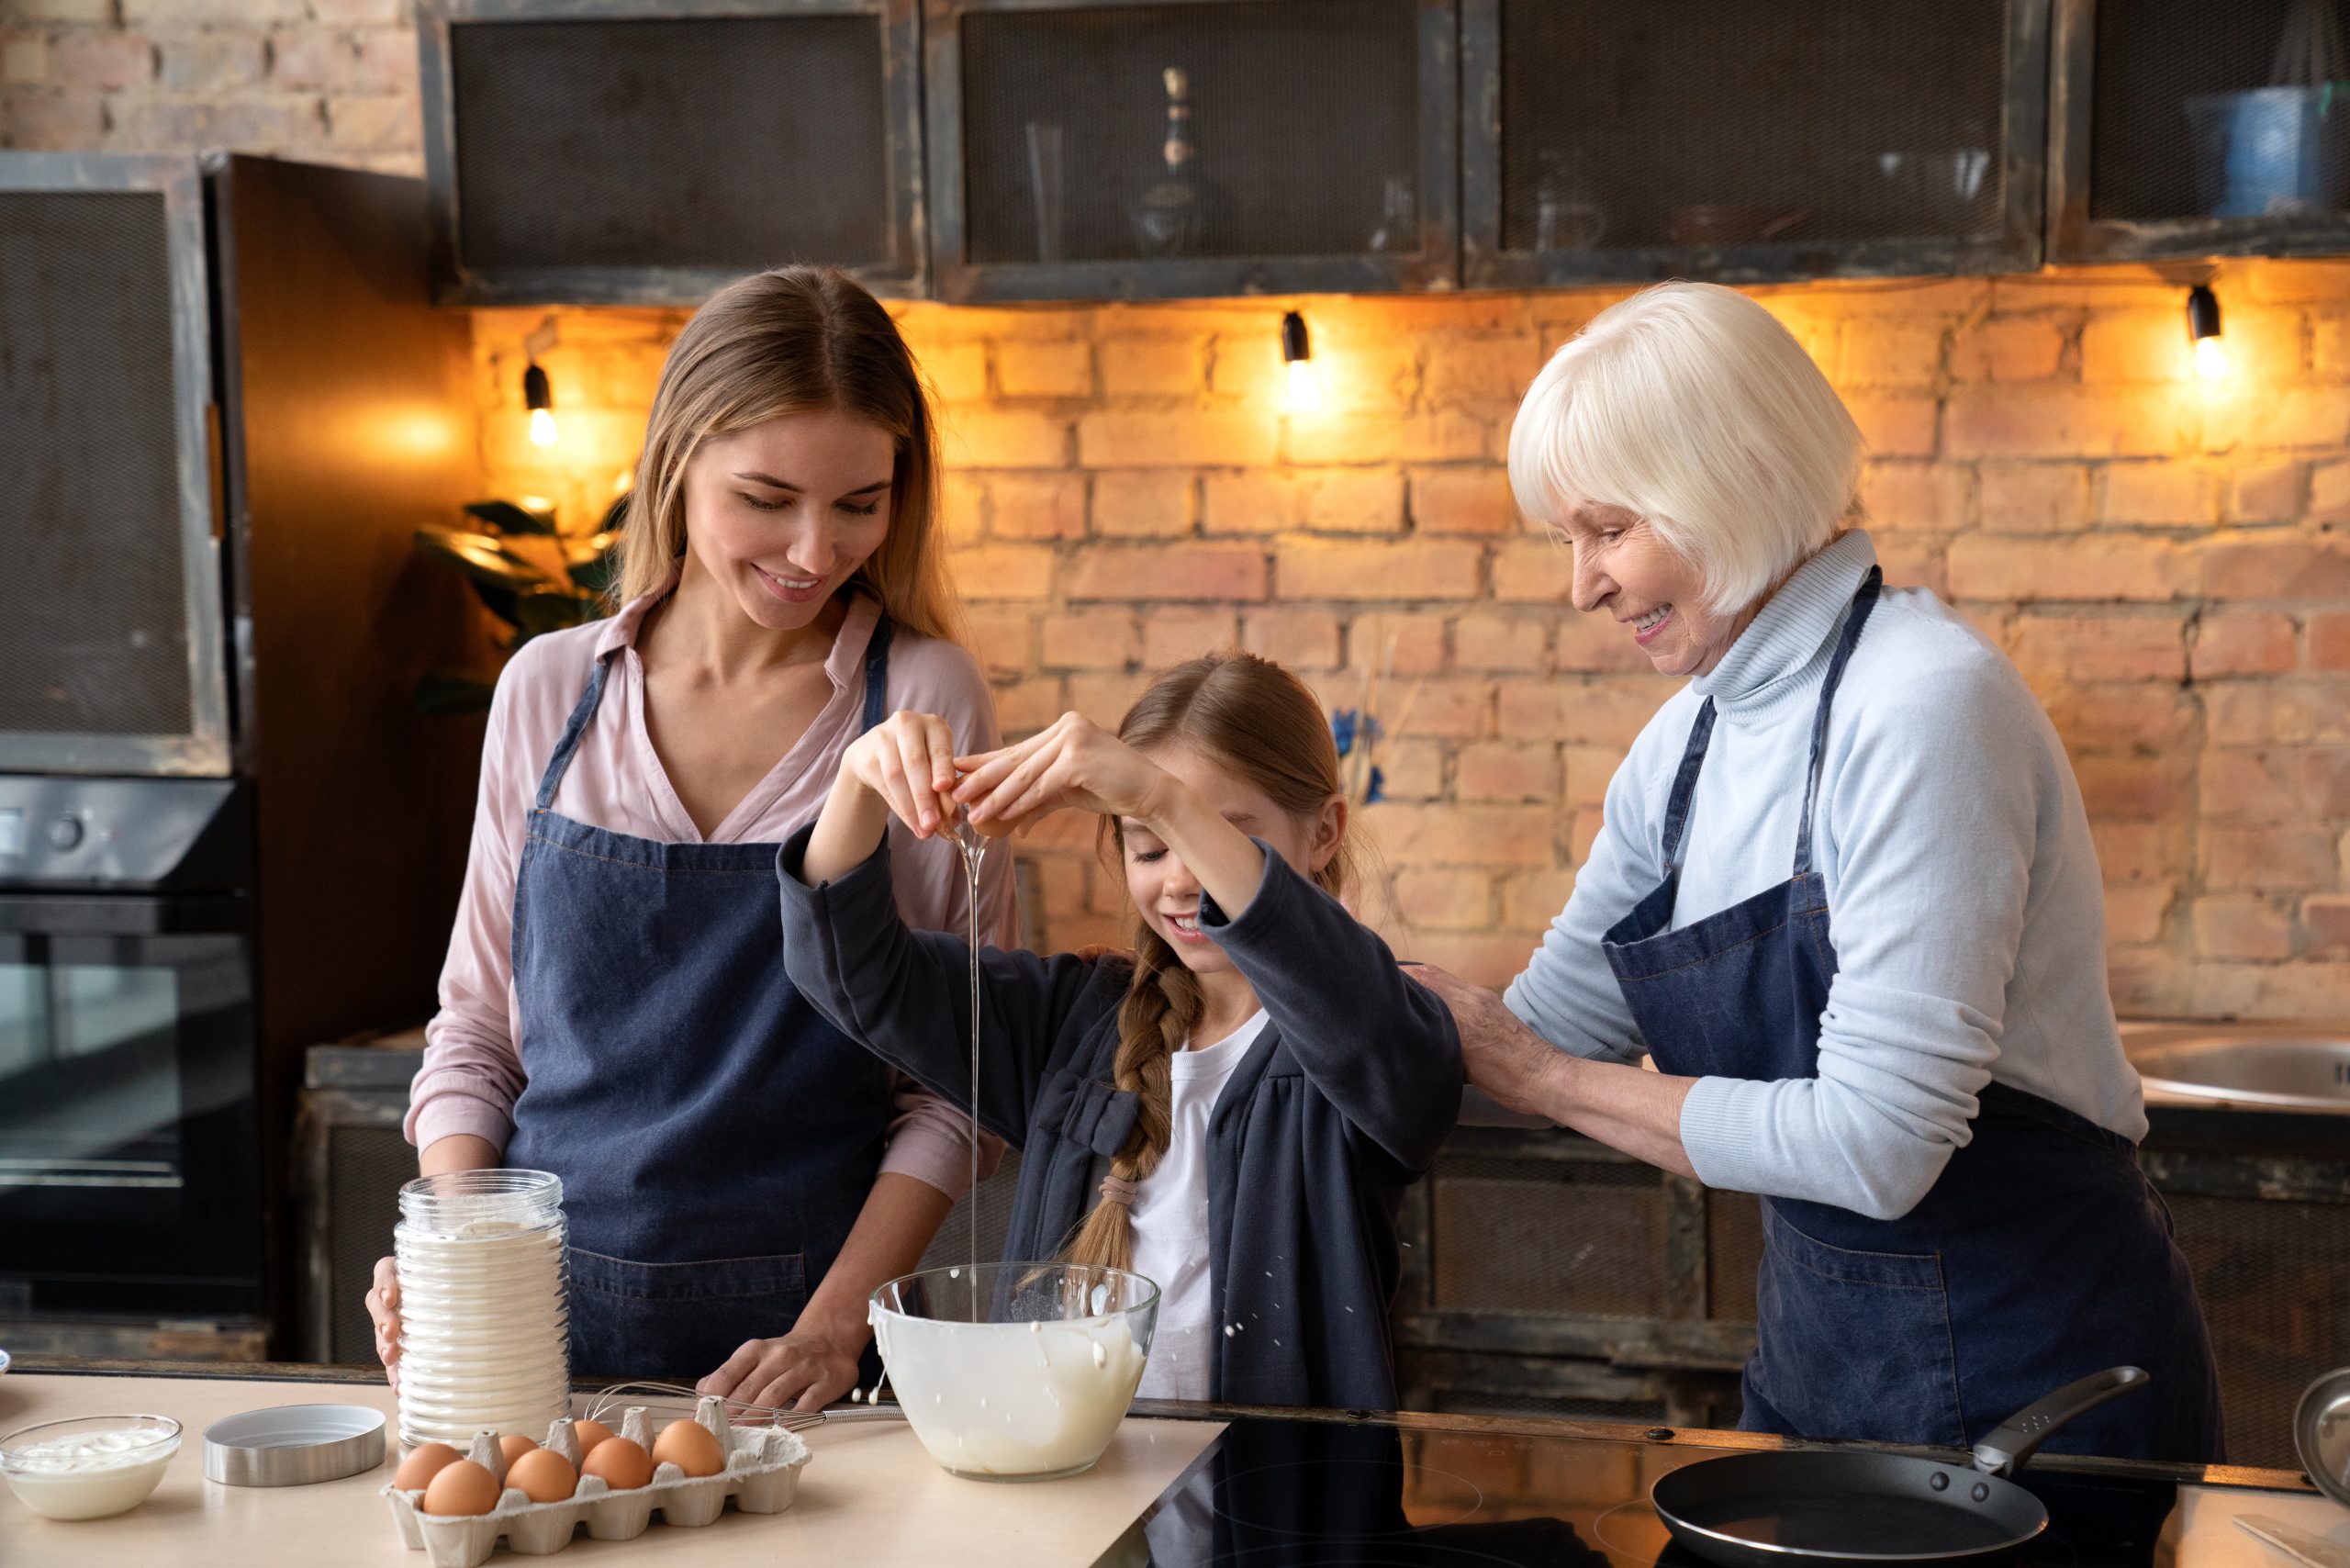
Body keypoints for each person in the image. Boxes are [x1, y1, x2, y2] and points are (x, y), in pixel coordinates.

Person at [1411, 282, 2222, 1462]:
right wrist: (1267, 936)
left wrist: (1534, 1073)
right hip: (1816, 1360)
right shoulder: (1682, 748)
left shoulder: (1923, 707)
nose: (1580, 585)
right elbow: (1546, 1028)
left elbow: (1876, 1147)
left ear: (1726, 485)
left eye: (1607, 530)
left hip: (2038, 1384)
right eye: (1567, 539)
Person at [367, 265, 1014, 1410]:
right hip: (532, 1347)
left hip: (803, 1367)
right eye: (766, 498)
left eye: (859, 503)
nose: (815, 551)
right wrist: (458, 1261)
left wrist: (830, 1334)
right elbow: (476, 1031)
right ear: (675, 465)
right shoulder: (548, 691)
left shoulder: (918, 698)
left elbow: (958, 1077)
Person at [777, 653, 1461, 1407]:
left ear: (1325, 831)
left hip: (1281, 1518)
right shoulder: (1072, 1025)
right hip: (1065, 1512)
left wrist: (1159, 797)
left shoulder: (1375, 1034)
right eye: (1149, 845)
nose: (1178, 880)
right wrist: (857, 782)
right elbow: (857, 976)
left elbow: (1345, 995)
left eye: (1208, 836)